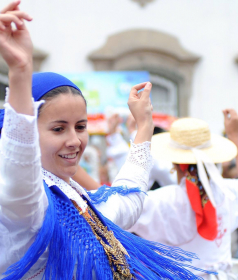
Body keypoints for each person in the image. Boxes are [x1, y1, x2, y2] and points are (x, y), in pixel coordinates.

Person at [0, 2, 211, 279]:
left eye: (81, 126)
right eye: (58, 129)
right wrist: (20, 73)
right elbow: (19, 166)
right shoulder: (24, 206)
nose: (74, 140)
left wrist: (144, 126)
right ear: (26, 132)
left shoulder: (78, 202)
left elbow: (129, 199)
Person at [129, 110, 238, 279]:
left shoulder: (163, 201)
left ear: (175, 164)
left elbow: (119, 206)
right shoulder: (228, 193)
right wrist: (235, 134)